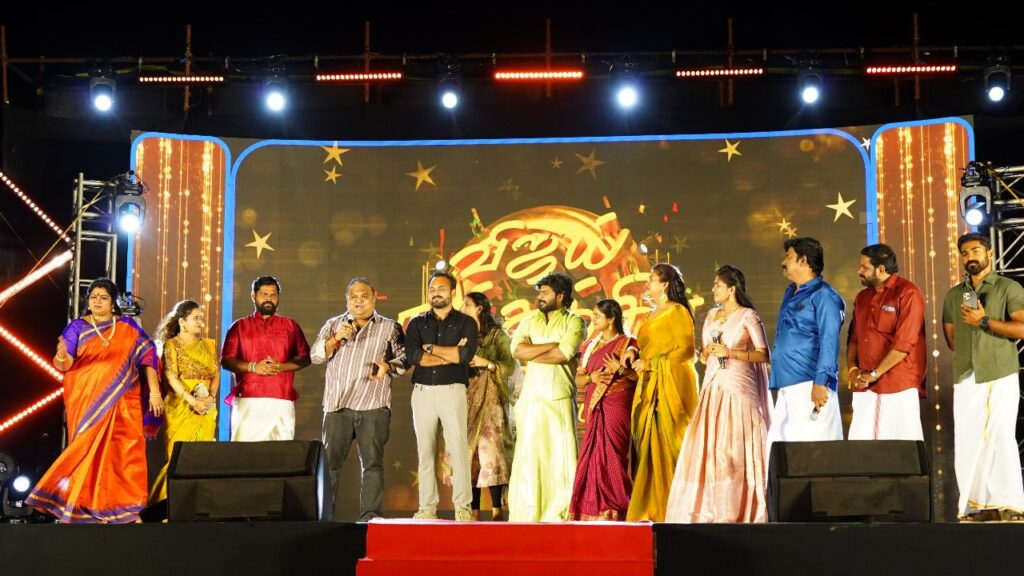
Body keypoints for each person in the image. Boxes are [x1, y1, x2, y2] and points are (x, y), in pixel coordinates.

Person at [26, 278, 164, 523]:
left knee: (126, 453)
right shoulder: (77, 327)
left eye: (103, 297)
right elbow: (64, 364)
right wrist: (61, 357)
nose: (97, 301)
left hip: (125, 399)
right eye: (93, 297)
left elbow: (148, 356)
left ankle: (128, 509)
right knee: (85, 449)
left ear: (113, 303)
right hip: (88, 399)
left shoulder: (128, 326)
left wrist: (154, 391)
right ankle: (82, 504)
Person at [665, 265, 772, 523]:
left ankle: (740, 508)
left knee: (734, 445)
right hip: (713, 387)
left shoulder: (748, 316)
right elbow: (704, 355)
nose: (713, 289)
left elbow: (764, 354)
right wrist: (706, 352)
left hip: (738, 387)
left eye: (718, 285)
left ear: (732, 289)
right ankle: (710, 507)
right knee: (712, 447)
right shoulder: (712, 315)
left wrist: (730, 353)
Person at [942, 232, 1024, 522]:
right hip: (966, 376)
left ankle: (1011, 504)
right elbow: (952, 337)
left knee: (1000, 436)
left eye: (976, 250)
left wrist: (985, 320)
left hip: (999, 373)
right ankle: (972, 505)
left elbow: (1022, 328)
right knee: (968, 438)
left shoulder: (1007, 287)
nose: (970, 257)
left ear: (990, 254)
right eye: (965, 253)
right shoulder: (955, 294)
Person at [310, 277, 406, 521]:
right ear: (347, 300)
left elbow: (405, 359)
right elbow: (316, 356)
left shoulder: (390, 327)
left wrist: (387, 366)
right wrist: (335, 339)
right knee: (330, 465)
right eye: (353, 297)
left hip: (373, 405)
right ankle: (324, 517)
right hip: (337, 406)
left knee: (372, 464)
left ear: (374, 298)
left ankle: (370, 517)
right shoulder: (334, 324)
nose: (359, 302)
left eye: (364, 297)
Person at [623, 263, 699, 522]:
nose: (647, 284)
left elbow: (685, 351)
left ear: (665, 284)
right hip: (649, 385)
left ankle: (680, 506)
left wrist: (652, 363)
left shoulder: (677, 311)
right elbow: (648, 346)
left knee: (673, 440)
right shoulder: (650, 315)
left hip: (671, 385)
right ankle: (654, 505)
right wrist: (634, 351)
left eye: (652, 279)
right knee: (649, 445)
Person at [508, 271, 585, 522]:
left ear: (560, 296)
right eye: (539, 292)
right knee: (529, 458)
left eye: (545, 292)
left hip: (558, 396)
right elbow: (517, 351)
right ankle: (527, 513)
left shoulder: (575, 321)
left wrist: (533, 351)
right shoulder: (529, 320)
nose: (539, 297)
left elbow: (564, 354)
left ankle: (560, 513)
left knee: (560, 459)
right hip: (531, 398)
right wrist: (551, 345)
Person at [404, 271, 479, 521]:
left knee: (458, 449)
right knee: (425, 451)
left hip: (452, 391)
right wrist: (450, 354)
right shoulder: (416, 323)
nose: (436, 293)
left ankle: (462, 506)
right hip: (422, 392)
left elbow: (464, 356)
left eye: (441, 288)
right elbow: (415, 357)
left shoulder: (466, 323)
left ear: (453, 293)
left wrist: (431, 349)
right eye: (432, 289)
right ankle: (427, 507)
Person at [441, 291, 515, 521]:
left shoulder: (497, 336)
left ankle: (496, 510)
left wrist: (488, 364)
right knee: (467, 455)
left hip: (491, 403)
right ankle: (471, 510)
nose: (461, 308)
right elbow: (447, 360)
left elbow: (511, 368)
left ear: (479, 309)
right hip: (464, 398)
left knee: (491, 454)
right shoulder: (459, 333)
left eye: (466, 304)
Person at [767, 237, 846, 450]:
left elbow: (829, 340)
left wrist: (820, 383)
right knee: (783, 451)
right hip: (787, 385)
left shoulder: (824, 295)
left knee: (814, 452)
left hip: (811, 385)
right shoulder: (790, 291)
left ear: (803, 260)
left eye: (788, 257)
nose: (783, 262)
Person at [847, 244, 926, 441]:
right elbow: (854, 337)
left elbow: (904, 344)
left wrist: (875, 374)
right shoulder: (862, 297)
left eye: (864, 267)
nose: (859, 271)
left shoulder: (908, 293)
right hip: (864, 388)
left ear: (881, 269)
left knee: (900, 449)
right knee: (861, 448)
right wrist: (853, 369)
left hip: (897, 387)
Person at [568, 299, 638, 521]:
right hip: (595, 404)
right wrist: (592, 377)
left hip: (617, 403)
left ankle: (617, 508)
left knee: (614, 454)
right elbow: (578, 379)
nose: (594, 319)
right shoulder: (590, 346)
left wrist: (620, 369)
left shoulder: (629, 344)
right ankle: (593, 509)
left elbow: (638, 377)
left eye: (598, 315)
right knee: (593, 457)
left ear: (611, 318)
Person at [221, 276, 310, 441]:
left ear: (278, 297)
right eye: (264, 294)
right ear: (253, 296)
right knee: (245, 451)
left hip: (282, 399)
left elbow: (305, 357)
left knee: (281, 452)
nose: (269, 298)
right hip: (249, 399)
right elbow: (226, 360)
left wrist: (281, 367)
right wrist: (253, 367)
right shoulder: (239, 326)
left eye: (273, 294)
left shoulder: (290, 325)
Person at [149, 300, 219, 503]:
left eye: (201, 318)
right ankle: (167, 507)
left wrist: (210, 398)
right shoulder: (171, 345)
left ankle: (198, 506)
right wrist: (192, 401)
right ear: (182, 321)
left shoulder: (209, 345)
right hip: (180, 406)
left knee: (203, 458)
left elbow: (216, 374)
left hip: (205, 409)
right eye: (196, 318)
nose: (201, 323)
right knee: (177, 458)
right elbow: (171, 377)